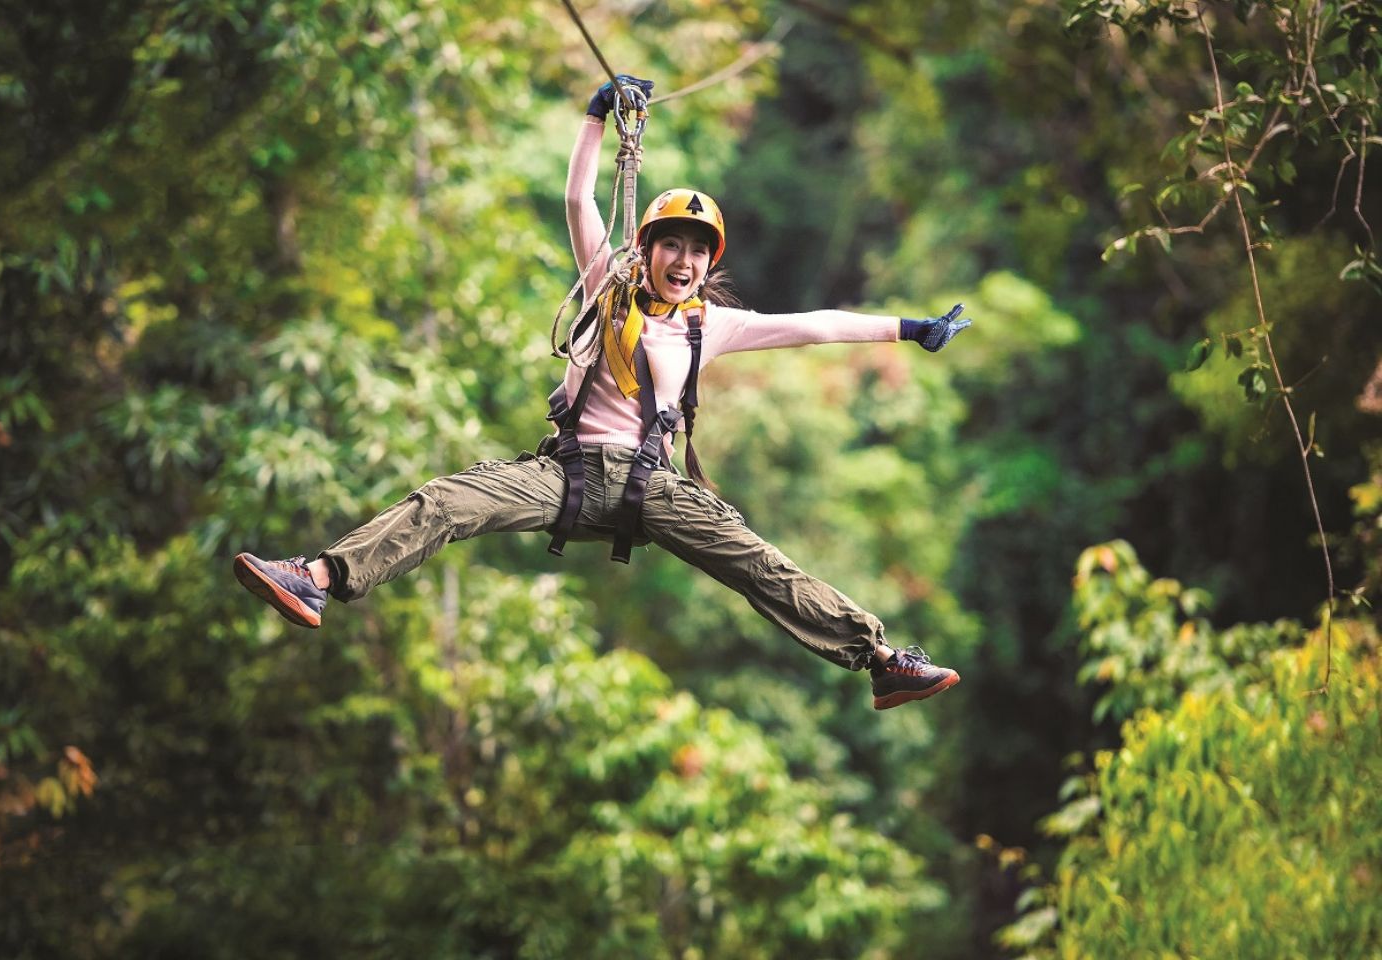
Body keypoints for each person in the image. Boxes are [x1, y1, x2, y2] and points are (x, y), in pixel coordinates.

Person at [234, 75, 973, 710]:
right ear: (646, 250)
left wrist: (909, 328)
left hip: (654, 485)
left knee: (759, 564)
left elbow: (812, 326)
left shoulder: (707, 326)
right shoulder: (604, 289)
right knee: (448, 501)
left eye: (695, 250)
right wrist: (596, 119)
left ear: (707, 262)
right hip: (568, 473)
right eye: (670, 245)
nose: (682, 260)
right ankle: (318, 576)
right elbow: (579, 198)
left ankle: (881, 662)